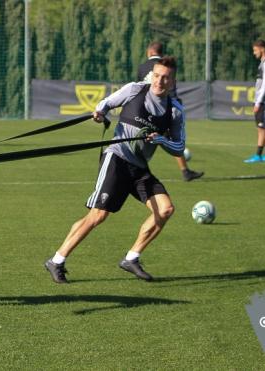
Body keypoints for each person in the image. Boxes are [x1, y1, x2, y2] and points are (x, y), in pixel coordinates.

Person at [44, 57, 184, 283]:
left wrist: (161, 140)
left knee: (166, 209)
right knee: (98, 215)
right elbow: (106, 103)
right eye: (157, 75)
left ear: (172, 81)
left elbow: (179, 147)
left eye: (165, 77)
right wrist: (100, 113)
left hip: (140, 168)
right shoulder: (134, 90)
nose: (160, 80)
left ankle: (131, 258)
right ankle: (56, 260)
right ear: (152, 75)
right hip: (117, 159)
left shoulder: (175, 110)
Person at [138, 42, 203, 181]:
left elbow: (140, 89)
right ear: (160, 53)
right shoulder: (166, 69)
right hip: (164, 110)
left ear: (149, 52)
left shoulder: (142, 67)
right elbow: (170, 92)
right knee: (171, 140)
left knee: (145, 142)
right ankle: (185, 171)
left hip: (144, 110)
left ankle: (185, 171)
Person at [244, 40, 265, 163]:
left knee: (261, 128)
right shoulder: (263, 63)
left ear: (262, 49)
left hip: (264, 101)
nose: (254, 53)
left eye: (255, 50)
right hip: (261, 100)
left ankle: (258, 155)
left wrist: (258, 102)